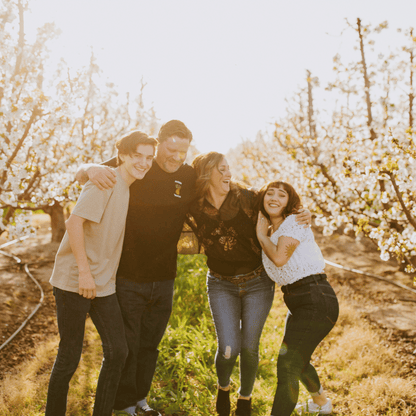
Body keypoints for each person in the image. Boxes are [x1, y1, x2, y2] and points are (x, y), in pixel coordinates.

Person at [75, 120, 195, 416]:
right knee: (128, 344)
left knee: (150, 345)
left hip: (165, 276)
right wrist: (90, 168)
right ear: (159, 142)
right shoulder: (139, 164)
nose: (175, 156)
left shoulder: (188, 175)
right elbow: (84, 174)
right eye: (170, 148)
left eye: (183, 150)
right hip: (128, 274)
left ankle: (140, 400)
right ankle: (124, 404)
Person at [187, 152, 311, 416]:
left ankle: (245, 397)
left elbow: (280, 205)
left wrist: (303, 212)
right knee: (229, 348)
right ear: (207, 173)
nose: (228, 174)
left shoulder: (247, 198)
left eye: (228, 168)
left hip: (257, 282)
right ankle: (223, 387)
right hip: (221, 283)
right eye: (222, 169)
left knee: (249, 347)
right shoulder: (194, 204)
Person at [46, 131, 158, 416]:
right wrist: (84, 273)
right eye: (138, 157)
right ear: (122, 155)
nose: (144, 163)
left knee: (118, 351)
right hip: (76, 280)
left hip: (103, 283)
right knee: (69, 356)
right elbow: (73, 224)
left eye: (149, 158)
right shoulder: (106, 180)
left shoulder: (126, 184)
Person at [255, 181, 339, 416]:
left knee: (288, 365)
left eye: (281, 195)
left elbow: (280, 259)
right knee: (297, 359)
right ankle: (321, 404)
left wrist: (261, 235)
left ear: (289, 202)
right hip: (300, 302)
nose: (274, 198)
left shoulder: (294, 222)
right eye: (269, 193)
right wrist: (263, 233)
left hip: (316, 298)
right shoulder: (271, 231)